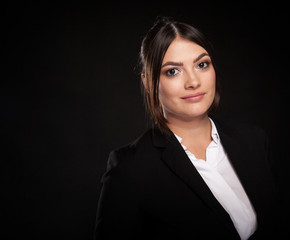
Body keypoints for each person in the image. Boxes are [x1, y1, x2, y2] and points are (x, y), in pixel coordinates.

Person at [94, 17, 280, 240]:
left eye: (202, 65)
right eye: (173, 71)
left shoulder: (254, 140)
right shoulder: (129, 169)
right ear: (148, 82)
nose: (193, 81)